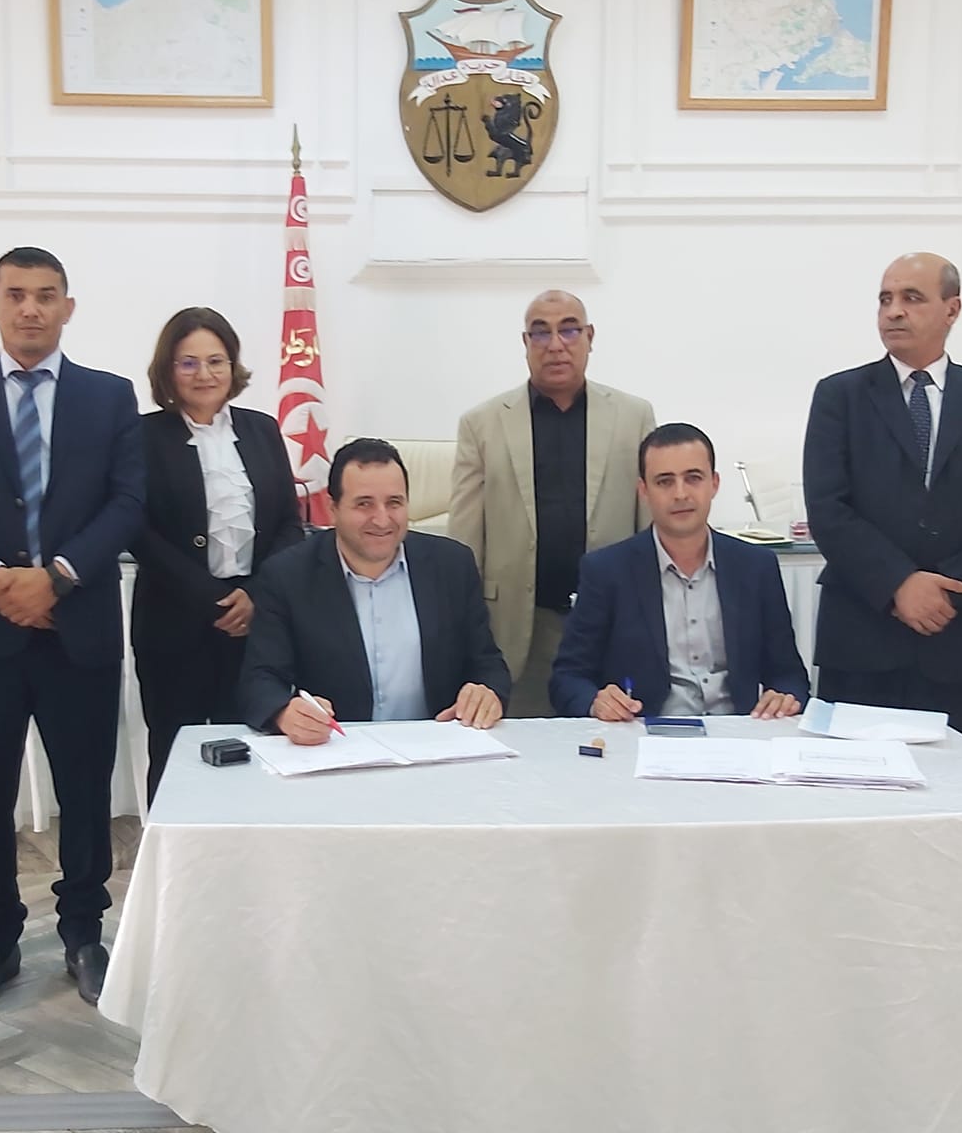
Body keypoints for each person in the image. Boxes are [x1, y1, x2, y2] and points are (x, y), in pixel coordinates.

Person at [0, 247, 143, 1011]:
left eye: (46, 295)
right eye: (16, 295)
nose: (31, 308)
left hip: (80, 631)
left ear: (68, 307)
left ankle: (83, 933)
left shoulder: (110, 397)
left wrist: (59, 576)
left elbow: (127, 502)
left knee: (85, 791)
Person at [800, 253, 962, 743]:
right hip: (862, 635)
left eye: (912, 298)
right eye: (885, 299)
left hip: (956, 637)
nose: (894, 311)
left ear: (952, 309)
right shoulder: (840, 396)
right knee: (853, 784)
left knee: (953, 783)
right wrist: (899, 584)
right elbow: (828, 509)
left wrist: (945, 590)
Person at [450, 290, 655, 715]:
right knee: (522, 747)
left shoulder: (633, 417)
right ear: (525, 343)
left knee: (610, 740)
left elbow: (648, 531)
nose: (556, 345)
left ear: (590, 337)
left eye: (569, 330)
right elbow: (464, 543)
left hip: (608, 623)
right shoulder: (482, 424)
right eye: (541, 333)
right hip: (518, 628)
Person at [131, 307, 304, 799]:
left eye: (215, 361)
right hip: (173, 622)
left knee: (253, 746)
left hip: (254, 623)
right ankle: (173, 845)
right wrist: (210, 598)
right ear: (168, 370)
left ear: (233, 366)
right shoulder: (142, 436)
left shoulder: (262, 430)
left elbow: (289, 524)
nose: (204, 374)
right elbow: (136, 530)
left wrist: (255, 594)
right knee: (173, 750)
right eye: (188, 363)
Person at [241, 438, 511, 743]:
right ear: (332, 508)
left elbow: (488, 663)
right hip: (337, 749)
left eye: (394, 503)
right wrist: (284, 712)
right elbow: (260, 680)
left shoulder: (452, 565)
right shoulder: (286, 575)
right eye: (364, 504)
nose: (382, 520)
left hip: (436, 746)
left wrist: (488, 692)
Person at [552, 423, 808, 721]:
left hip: (735, 732)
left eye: (693, 478)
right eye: (664, 482)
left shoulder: (755, 567)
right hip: (643, 731)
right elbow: (567, 678)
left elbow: (789, 675)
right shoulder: (606, 570)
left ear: (714, 484)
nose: (680, 494)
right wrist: (596, 702)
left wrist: (784, 697)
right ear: (644, 491)